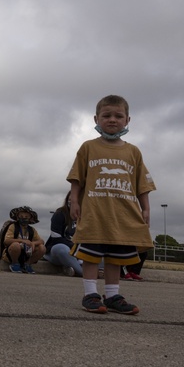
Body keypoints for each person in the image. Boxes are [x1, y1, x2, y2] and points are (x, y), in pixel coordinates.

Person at [68, 94, 155, 315]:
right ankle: (90, 294)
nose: (112, 120)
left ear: (128, 120)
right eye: (106, 115)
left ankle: (113, 295)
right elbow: (77, 178)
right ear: (96, 119)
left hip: (122, 216)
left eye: (118, 115)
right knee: (90, 253)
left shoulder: (133, 151)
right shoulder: (88, 147)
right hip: (94, 213)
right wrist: (74, 201)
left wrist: (146, 208)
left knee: (116, 256)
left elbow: (141, 184)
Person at [46, 192, 83, 276]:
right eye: (70, 200)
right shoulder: (59, 214)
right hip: (61, 252)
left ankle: (73, 269)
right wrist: (75, 247)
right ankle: (83, 273)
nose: (72, 203)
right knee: (61, 248)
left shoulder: (86, 216)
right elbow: (56, 239)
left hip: (81, 253)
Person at [1, 206, 47, 273]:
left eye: (26, 217)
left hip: (27, 253)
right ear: (17, 217)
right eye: (21, 216)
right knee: (16, 245)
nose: (23, 218)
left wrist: (33, 243)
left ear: (30, 219)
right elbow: (6, 241)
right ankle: (14, 263)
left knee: (42, 248)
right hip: (12, 253)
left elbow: (41, 241)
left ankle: (27, 264)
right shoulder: (13, 226)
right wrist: (22, 241)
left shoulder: (32, 230)